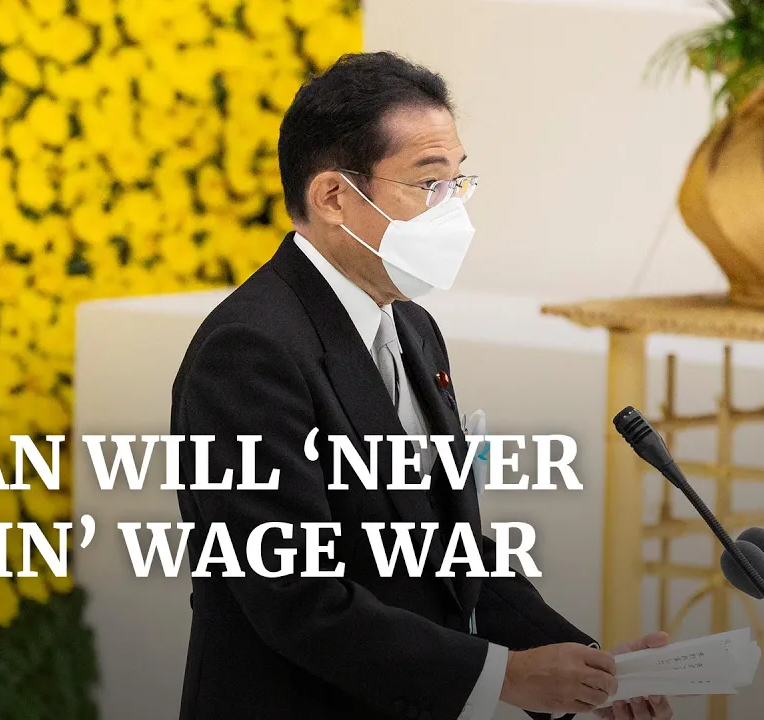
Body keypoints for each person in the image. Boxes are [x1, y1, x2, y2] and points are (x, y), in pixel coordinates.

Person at [170, 51, 674, 720]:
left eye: (458, 181)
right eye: (428, 183)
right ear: (333, 197)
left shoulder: (412, 327)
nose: (452, 210)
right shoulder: (248, 353)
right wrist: (504, 676)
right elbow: (295, 596)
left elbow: (449, 550)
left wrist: (589, 667)